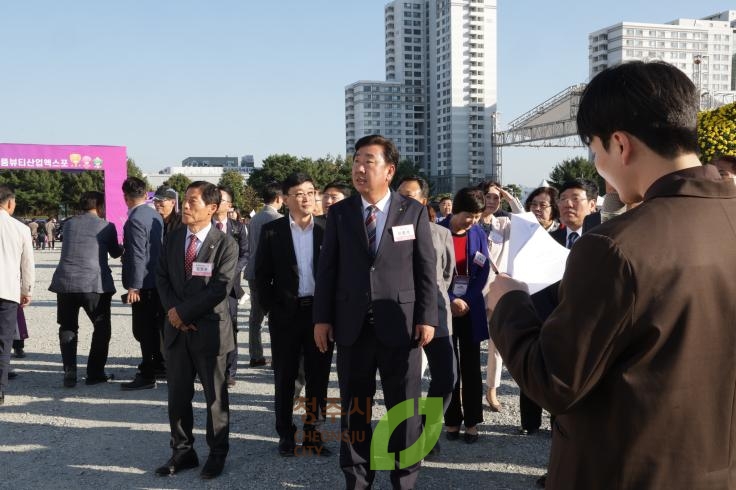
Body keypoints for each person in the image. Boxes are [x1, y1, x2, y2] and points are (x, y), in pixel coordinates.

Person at [487, 60, 736, 489]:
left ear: (620, 144)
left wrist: (506, 303)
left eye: (595, 151)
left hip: (626, 470)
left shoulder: (614, 245)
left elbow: (554, 381)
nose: (599, 164)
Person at [314, 134, 437, 489]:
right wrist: (322, 318)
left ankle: (404, 480)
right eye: (356, 161)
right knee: (355, 410)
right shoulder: (339, 213)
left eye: (368, 161)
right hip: (351, 326)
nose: (359, 168)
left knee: (404, 411)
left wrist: (427, 316)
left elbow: (424, 268)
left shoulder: (411, 211)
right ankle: (357, 480)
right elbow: (327, 269)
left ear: (389, 170)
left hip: (400, 325)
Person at [154, 181, 237, 480]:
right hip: (177, 331)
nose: (185, 206)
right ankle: (182, 450)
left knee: (214, 398)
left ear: (212, 208)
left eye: (192, 201)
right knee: (177, 396)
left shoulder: (226, 243)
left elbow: (219, 289)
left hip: (209, 332)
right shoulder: (174, 238)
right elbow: (161, 276)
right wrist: (174, 313)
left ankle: (217, 453)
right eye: (185, 201)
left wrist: (184, 312)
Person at [255, 172, 332, 457]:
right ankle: (285, 434)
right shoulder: (272, 231)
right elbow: (261, 276)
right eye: (299, 193)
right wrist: (273, 308)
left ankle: (313, 433)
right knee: (285, 377)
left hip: (319, 315)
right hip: (285, 316)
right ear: (286, 199)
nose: (306, 198)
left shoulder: (327, 229)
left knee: (318, 377)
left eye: (311, 192)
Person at [396, 175, 456, 457]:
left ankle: (428, 430)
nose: (403, 201)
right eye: (400, 196)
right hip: (403, 316)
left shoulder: (441, 233)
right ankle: (408, 436)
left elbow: (446, 275)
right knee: (406, 382)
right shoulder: (389, 231)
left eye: (410, 196)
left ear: (422, 201)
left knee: (446, 377)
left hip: (437, 316)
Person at [49, 191, 123, 387]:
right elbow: (115, 253)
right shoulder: (107, 226)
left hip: (65, 284)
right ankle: (95, 372)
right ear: (100, 206)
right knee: (101, 328)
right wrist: (125, 247)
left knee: (67, 326)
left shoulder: (69, 223)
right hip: (94, 284)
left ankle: (70, 371)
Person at [438, 187, 490, 444]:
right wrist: (451, 300)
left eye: (478, 216)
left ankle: (471, 422)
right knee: (450, 368)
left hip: (470, 308)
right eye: (469, 215)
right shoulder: (438, 231)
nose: (473, 221)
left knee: (471, 368)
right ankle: (451, 420)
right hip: (444, 308)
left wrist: (466, 299)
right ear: (456, 210)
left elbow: (483, 269)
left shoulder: (479, 233)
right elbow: (431, 271)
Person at [120, 177, 164, 390]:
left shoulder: (135, 220)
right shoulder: (155, 215)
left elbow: (138, 254)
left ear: (125, 197)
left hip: (143, 283)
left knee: (143, 330)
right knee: (153, 329)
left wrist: (134, 286)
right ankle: (158, 365)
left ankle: (147, 374)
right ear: (146, 194)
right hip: (157, 280)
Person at [0, 184, 34, 405]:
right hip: (8, 292)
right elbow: (27, 265)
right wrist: (26, 291)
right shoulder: (20, 229)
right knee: (3, 342)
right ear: (10, 203)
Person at [244, 182, 284, 367]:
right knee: (276, 317)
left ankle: (255, 354)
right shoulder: (278, 218)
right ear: (278, 198)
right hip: (271, 274)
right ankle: (278, 355)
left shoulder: (255, 218)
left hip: (253, 271)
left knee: (255, 316)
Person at [213, 186, 249, 386]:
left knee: (231, 327)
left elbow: (246, 253)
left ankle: (230, 371)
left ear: (229, 205)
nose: (218, 202)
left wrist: (232, 271)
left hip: (231, 288)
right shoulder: (205, 225)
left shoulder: (238, 227)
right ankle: (210, 368)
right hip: (207, 286)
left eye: (222, 199)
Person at [549, 179, 599, 248]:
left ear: (592, 205)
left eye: (575, 199)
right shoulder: (550, 239)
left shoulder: (603, 238)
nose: (568, 204)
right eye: (563, 199)